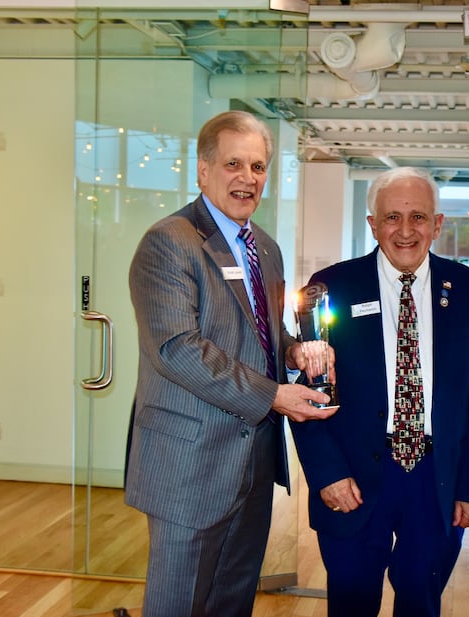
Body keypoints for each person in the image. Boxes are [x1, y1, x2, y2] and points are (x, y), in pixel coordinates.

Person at [125, 110, 337, 617]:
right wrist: (274, 395)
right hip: (189, 466)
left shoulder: (265, 248)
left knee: (233, 602)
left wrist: (294, 351)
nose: (248, 178)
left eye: (258, 167)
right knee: (178, 606)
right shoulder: (168, 242)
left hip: (254, 462)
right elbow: (177, 348)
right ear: (203, 171)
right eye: (233, 164)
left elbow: (265, 333)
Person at [290, 167, 469, 617]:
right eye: (392, 217)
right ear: (373, 224)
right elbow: (307, 392)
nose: (405, 231)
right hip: (352, 477)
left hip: (435, 478)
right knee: (350, 602)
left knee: (421, 600)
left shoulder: (468, 289)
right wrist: (327, 474)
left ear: (437, 224)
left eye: (418, 217)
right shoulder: (330, 288)